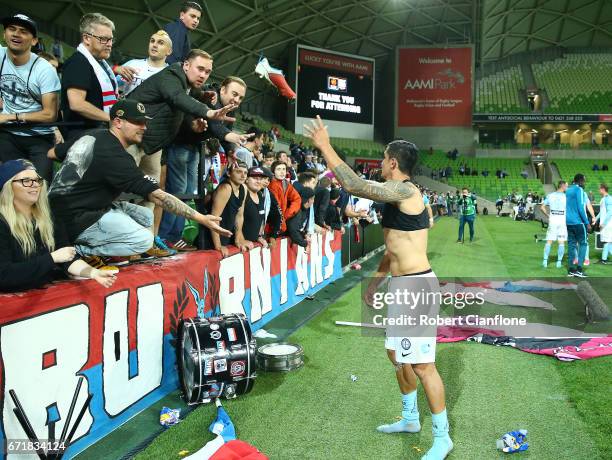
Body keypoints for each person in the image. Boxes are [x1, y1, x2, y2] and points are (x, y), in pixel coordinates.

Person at [305, 116, 453, 460]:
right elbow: (392, 248)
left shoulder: (406, 190)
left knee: (422, 366)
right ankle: (410, 418)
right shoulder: (395, 197)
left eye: (384, 158)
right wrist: (375, 282)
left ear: (392, 162)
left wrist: (325, 145)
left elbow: (356, 186)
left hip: (416, 287)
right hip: (401, 286)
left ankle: (442, 438)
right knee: (395, 355)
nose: (381, 163)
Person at [48, 99, 231, 265]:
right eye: (137, 122)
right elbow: (159, 197)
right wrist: (201, 218)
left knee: (145, 216)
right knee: (143, 240)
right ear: (117, 122)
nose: (144, 127)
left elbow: (52, 153)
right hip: (74, 220)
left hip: (64, 208)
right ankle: (77, 253)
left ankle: (106, 249)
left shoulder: (92, 135)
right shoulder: (115, 155)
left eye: (145, 122)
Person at [0, 159, 117, 291]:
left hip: (41, 294)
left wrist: (92, 272)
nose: (34, 185)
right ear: (8, 186)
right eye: (26, 181)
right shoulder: (2, 223)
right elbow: (4, 275)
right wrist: (52, 258)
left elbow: (66, 256)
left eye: (37, 180)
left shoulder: (48, 217)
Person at [0, 14, 60, 182]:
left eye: (23, 31)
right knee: (10, 186)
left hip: (38, 137)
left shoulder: (44, 70)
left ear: (34, 41)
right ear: (4, 34)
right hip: (8, 135)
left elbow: (50, 115)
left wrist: (10, 117)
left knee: (38, 186)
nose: (16, 34)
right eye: (11, 29)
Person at [60, 13, 119, 141]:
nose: (109, 44)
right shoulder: (78, 62)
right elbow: (77, 104)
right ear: (87, 38)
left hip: (97, 131)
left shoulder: (101, 64)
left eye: (111, 39)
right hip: (83, 135)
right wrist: (111, 119)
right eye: (104, 39)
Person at [208, 160, 249, 257]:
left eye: (245, 173)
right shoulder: (225, 188)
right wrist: (218, 246)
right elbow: (214, 218)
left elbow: (239, 216)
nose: (243, 175)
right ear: (229, 173)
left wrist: (238, 238)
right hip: (211, 238)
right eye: (238, 172)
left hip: (226, 235)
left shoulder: (244, 188)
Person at [117, 30, 173, 96]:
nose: (154, 45)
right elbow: (112, 85)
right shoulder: (132, 64)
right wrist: (115, 69)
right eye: (152, 41)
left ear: (169, 51)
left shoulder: (170, 74)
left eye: (161, 43)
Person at [565, 174, 590, 277]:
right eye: (584, 181)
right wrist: (587, 222)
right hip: (578, 222)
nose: (584, 183)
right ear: (580, 181)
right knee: (583, 244)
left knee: (571, 245)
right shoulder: (579, 190)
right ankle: (579, 269)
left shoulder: (568, 190)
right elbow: (580, 207)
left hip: (568, 222)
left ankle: (571, 269)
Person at [267, 160, 301, 234]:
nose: (282, 172)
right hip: (273, 225)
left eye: (284, 169)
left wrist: (287, 214)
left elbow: (297, 199)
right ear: (273, 172)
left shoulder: (286, 183)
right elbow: (276, 208)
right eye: (278, 169)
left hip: (282, 221)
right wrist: (282, 222)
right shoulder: (272, 185)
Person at [539, 181, 568, 268]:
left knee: (549, 241)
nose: (567, 188)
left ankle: (545, 261)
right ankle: (558, 262)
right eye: (566, 186)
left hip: (553, 220)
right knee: (561, 242)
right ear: (562, 186)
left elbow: (542, 207)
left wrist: (548, 215)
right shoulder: (566, 196)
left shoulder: (550, 195)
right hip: (562, 221)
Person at [242, 166, 268, 247]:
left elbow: (260, 219)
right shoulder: (242, 194)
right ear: (246, 179)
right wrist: (240, 239)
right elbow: (234, 220)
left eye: (260, 179)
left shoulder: (260, 195)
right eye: (255, 178)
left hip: (252, 244)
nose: (258, 181)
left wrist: (258, 237)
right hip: (238, 245)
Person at [593, 183, 611, 264]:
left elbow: (610, 212)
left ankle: (604, 260)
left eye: (599, 189)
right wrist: (595, 219)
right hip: (605, 224)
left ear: (603, 189)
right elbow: (602, 212)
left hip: (608, 224)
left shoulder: (608, 198)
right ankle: (604, 259)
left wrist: (603, 223)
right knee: (607, 241)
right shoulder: (603, 199)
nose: (598, 190)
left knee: (607, 241)